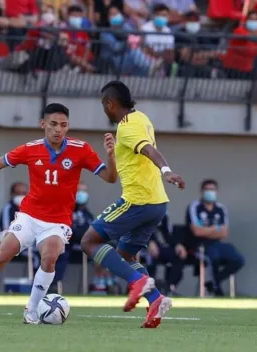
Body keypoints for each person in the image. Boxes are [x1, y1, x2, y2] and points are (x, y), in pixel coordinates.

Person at [0, 103, 118, 324]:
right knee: (2, 255)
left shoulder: (81, 149)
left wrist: (111, 155)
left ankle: (32, 310)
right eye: (53, 124)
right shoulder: (29, 149)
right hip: (29, 216)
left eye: (63, 125)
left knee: (50, 256)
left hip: (57, 222)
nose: (58, 130)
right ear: (43, 124)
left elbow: (111, 178)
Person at [80, 80, 185, 329]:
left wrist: (167, 170)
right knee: (125, 255)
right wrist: (113, 153)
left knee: (89, 242)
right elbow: (135, 157)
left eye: (103, 106)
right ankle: (155, 300)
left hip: (137, 201)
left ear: (110, 104)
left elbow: (147, 150)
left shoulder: (126, 128)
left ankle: (138, 282)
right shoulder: (141, 119)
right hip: (158, 204)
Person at [186, 179, 245, 296]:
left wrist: (206, 230)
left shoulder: (221, 209)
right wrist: (214, 229)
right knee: (214, 256)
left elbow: (224, 233)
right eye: (207, 189)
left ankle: (214, 282)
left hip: (217, 244)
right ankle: (216, 289)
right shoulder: (195, 207)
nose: (210, 192)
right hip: (200, 245)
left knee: (238, 259)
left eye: (212, 190)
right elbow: (197, 232)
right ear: (202, 191)